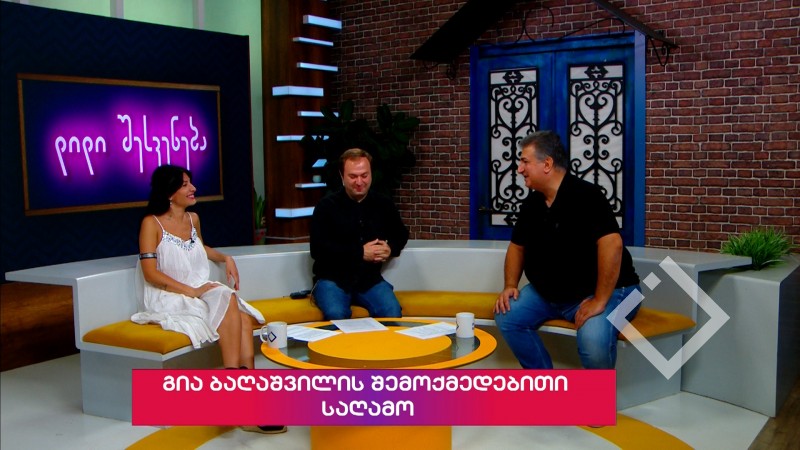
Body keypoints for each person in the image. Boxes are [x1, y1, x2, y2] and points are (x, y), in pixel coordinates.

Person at [131, 165, 285, 434]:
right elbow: (150, 273)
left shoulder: (193, 219)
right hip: (168, 294)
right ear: (169, 193)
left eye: (191, 183)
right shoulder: (151, 224)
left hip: (197, 289)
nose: (193, 188)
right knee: (229, 302)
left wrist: (225, 258)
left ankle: (243, 401)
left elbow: (199, 247)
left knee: (242, 318)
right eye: (185, 185)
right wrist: (190, 291)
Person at [493, 131, 641, 369]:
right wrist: (510, 284)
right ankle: (545, 386)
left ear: (547, 164)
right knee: (508, 316)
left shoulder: (587, 195)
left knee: (593, 340)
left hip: (615, 291)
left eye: (525, 161)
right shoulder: (532, 204)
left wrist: (600, 300)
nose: (519, 169)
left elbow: (612, 244)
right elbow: (517, 247)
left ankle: (597, 394)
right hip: (552, 295)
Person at [310, 148, 409, 320]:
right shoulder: (326, 207)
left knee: (391, 311)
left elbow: (401, 234)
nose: (359, 182)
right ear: (342, 176)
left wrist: (390, 248)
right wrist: (360, 253)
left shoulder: (383, 204)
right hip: (332, 280)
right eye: (353, 176)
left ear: (371, 175)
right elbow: (318, 249)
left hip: (369, 280)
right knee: (336, 313)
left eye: (364, 175)